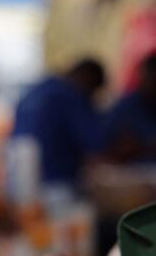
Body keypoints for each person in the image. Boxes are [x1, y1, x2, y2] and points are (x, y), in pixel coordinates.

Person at [10, 58, 107, 188]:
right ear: (88, 79)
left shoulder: (33, 90)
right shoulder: (70, 96)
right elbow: (96, 142)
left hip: (18, 184)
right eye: (93, 91)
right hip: (58, 184)